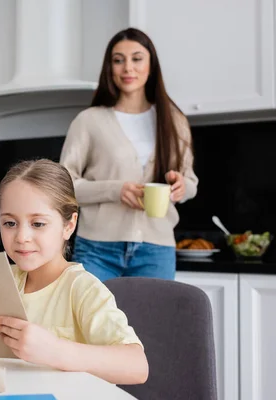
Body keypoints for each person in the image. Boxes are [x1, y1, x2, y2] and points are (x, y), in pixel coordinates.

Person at [0, 159, 148, 384]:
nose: (21, 237)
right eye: (9, 223)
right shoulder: (1, 280)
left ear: (69, 225)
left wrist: (56, 350)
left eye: (38, 224)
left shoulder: (82, 288)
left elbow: (137, 366)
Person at [60, 27, 199, 281]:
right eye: (118, 60)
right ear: (109, 68)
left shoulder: (174, 120)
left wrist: (181, 187)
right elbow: (64, 185)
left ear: (151, 65)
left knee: (152, 322)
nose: (128, 68)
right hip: (97, 249)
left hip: (156, 250)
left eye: (137, 58)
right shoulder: (89, 121)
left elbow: (190, 182)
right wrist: (116, 190)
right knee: (89, 321)